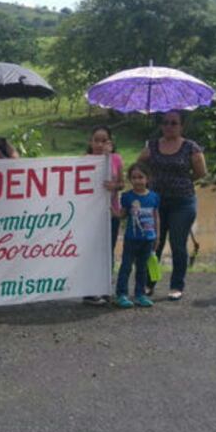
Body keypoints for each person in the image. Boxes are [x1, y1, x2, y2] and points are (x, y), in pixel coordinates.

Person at [137, 110, 206, 301]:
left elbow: (201, 172)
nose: (169, 126)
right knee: (154, 244)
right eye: (165, 122)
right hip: (156, 203)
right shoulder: (151, 145)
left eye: (173, 123)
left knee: (177, 244)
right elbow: (138, 167)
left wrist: (183, 181)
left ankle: (177, 285)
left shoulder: (191, 147)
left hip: (182, 203)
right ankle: (148, 284)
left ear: (181, 126)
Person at [83, 125, 124, 305]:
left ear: (110, 143)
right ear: (90, 142)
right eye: (96, 140)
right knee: (91, 252)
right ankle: (90, 291)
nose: (99, 144)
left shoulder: (115, 159)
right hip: (89, 215)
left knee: (108, 250)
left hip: (111, 212)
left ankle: (105, 287)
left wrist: (114, 186)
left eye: (103, 140)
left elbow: (122, 183)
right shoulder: (84, 161)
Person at [112, 163, 160, 309]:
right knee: (126, 267)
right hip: (131, 239)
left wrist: (157, 237)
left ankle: (140, 295)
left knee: (142, 268)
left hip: (148, 240)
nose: (138, 180)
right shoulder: (127, 196)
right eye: (134, 178)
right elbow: (122, 214)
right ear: (130, 180)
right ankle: (121, 295)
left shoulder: (154, 197)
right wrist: (112, 210)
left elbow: (156, 217)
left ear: (148, 179)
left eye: (141, 177)